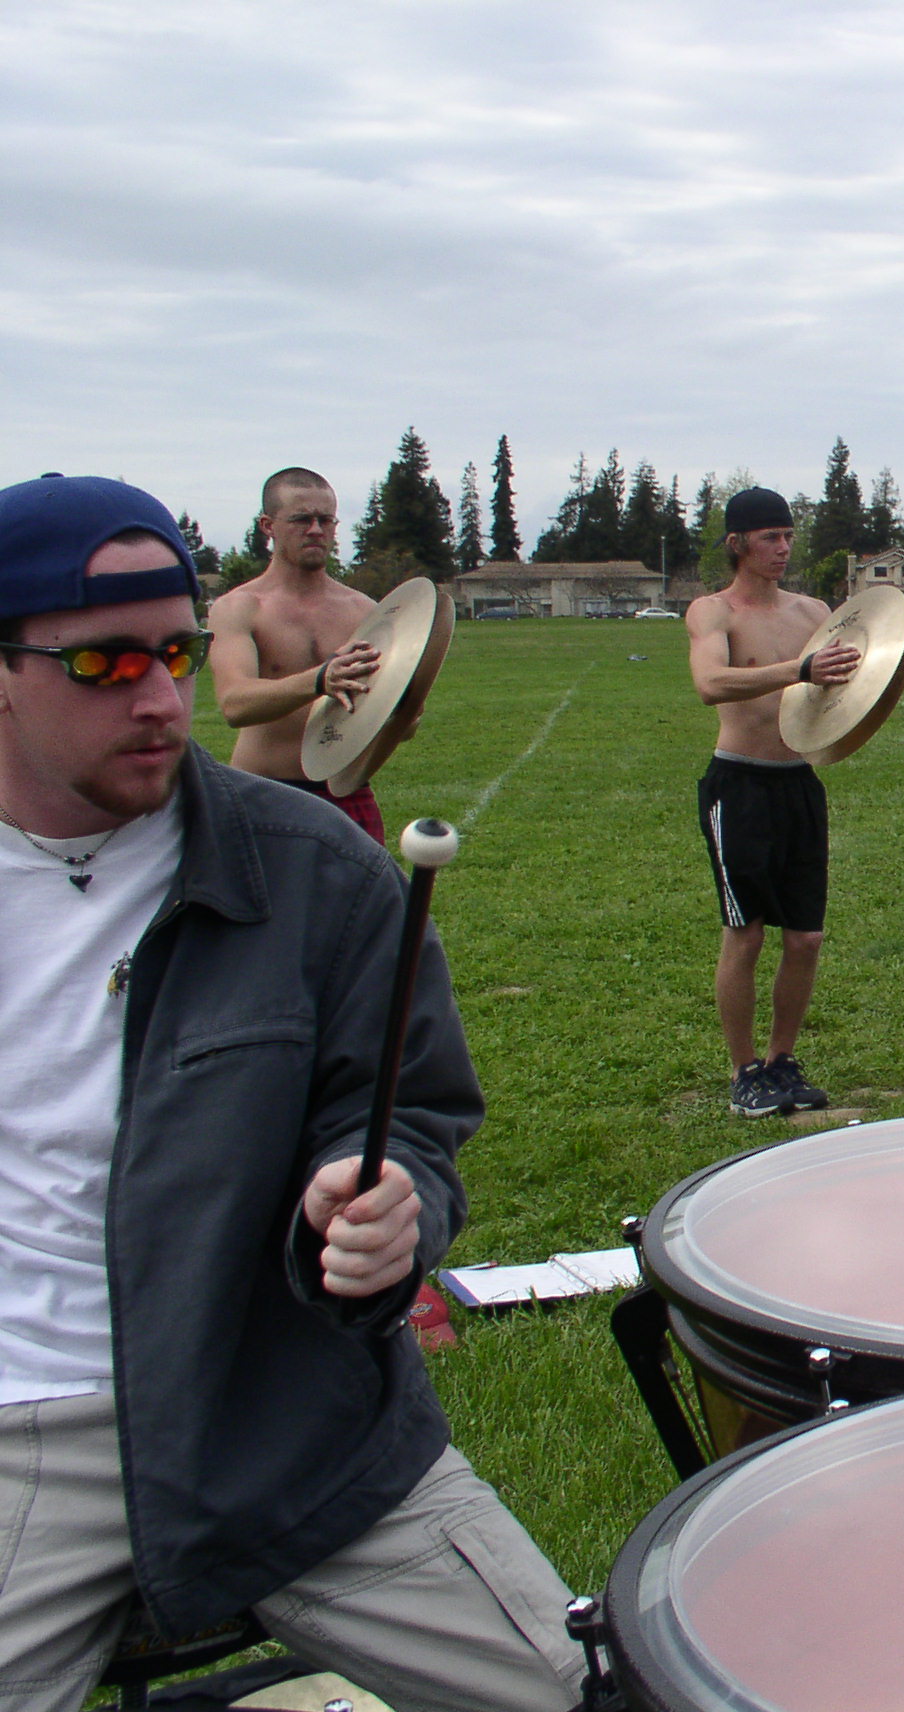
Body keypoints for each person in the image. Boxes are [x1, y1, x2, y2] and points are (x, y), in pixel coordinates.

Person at [0, 475, 581, 1712]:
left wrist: (392, 1203)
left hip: (289, 1415)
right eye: (105, 665)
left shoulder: (322, 872)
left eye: (172, 652)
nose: (165, 700)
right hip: (24, 1431)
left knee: (574, 1691)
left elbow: (412, 1110)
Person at [685, 488, 861, 1115]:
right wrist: (799, 670)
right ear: (737, 543)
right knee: (747, 934)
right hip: (739, 787)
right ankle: (743, 1074)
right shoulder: (713, 612)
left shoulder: (813, 608)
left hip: (798, 785)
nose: (783, 548)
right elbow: (710, 683)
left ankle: (782, 1061)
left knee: (806, 938)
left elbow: (850, 673)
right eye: (769, 538)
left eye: (788, 536)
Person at [207, 468, 400, 843]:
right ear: (269, 525)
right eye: (301, 519)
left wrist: (404, 704)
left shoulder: (364, 611)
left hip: (346, 792)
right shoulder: (240, 608)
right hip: (263, 792)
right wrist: (319, 680)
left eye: (325, 520)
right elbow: (234, 704)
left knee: (364, 903)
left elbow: (402, 726)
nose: (316, 529)